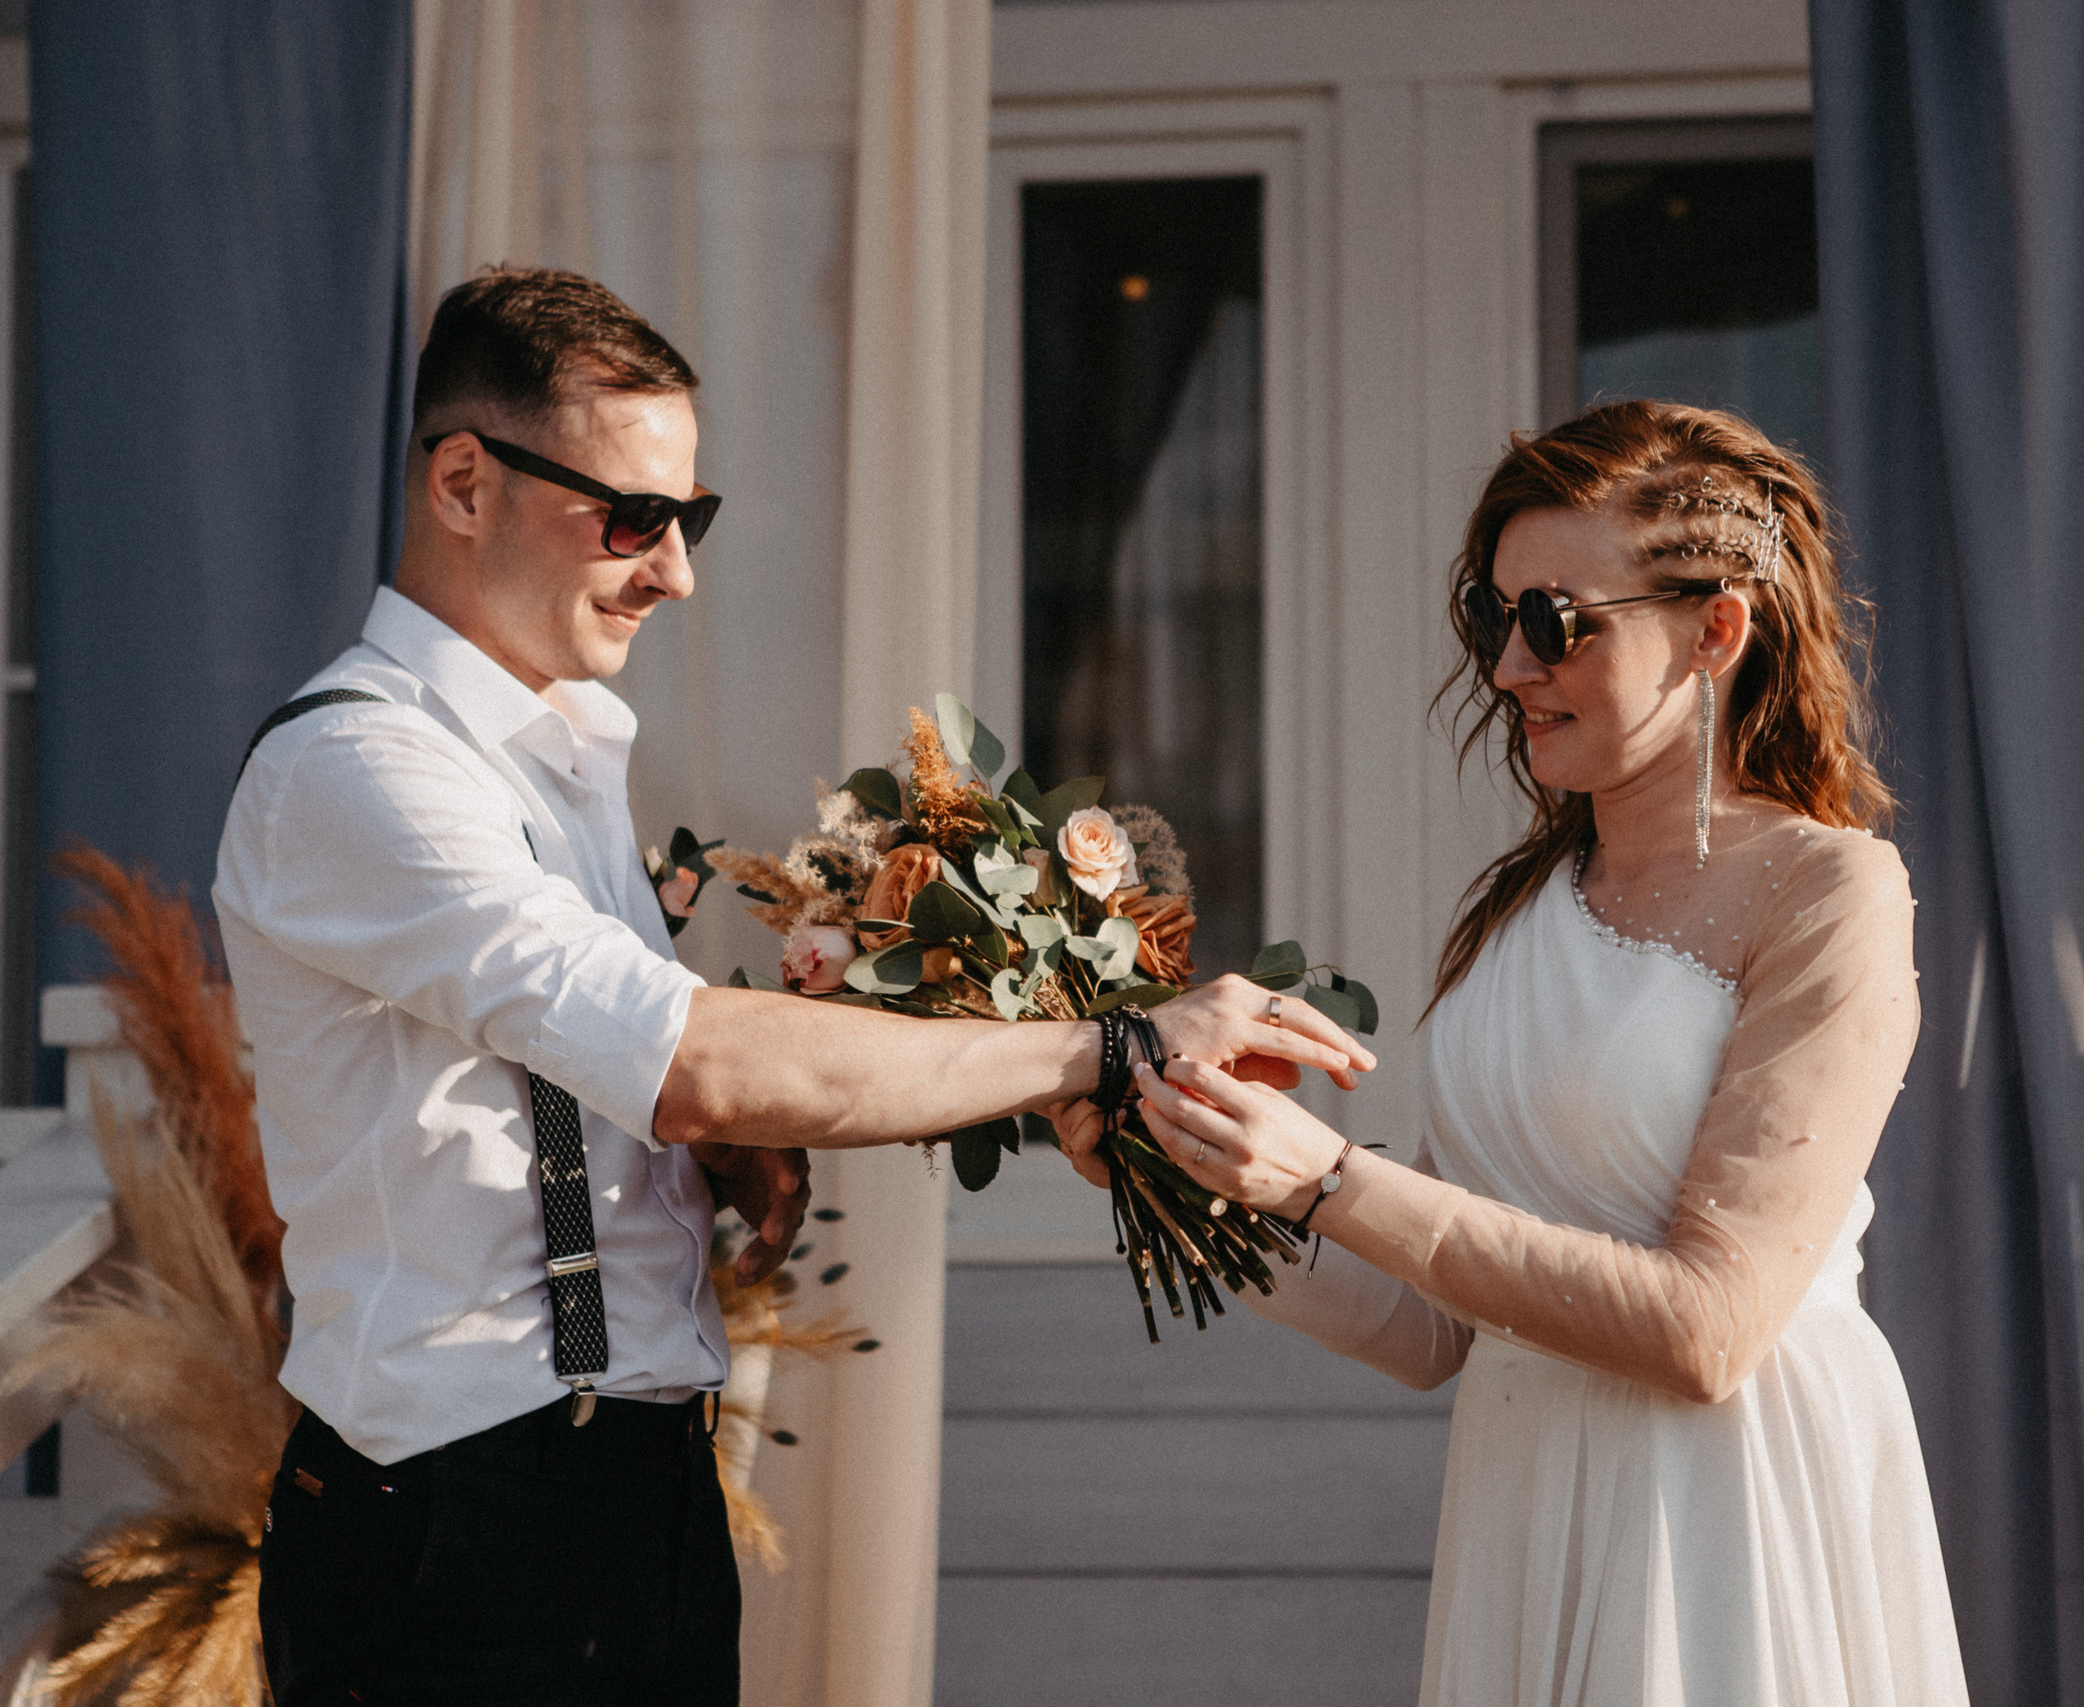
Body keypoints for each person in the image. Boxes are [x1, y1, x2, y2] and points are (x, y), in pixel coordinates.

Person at [216, 267, 1374, 1707]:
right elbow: (683, 1057)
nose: (677, 571)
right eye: (634, 518)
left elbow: (584, 1080)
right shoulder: (357, 765)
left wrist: (710, 1150)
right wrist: (1101, 1048)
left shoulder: (560, 754)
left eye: (690, 520)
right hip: (454, 1508)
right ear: (464, 482)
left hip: (629, 1483)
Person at [1059, 401, 1969, 1705]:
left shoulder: (1831, 895)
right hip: (1530, 1497)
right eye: (1496, 620)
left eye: (1557, 624)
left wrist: (1326, 1175)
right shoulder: (1522, 910)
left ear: (1716, 631)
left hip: (1726, 1513)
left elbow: (1709, 1329)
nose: (1507, 669)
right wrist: (1188, 1181)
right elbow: (1436, 1324)